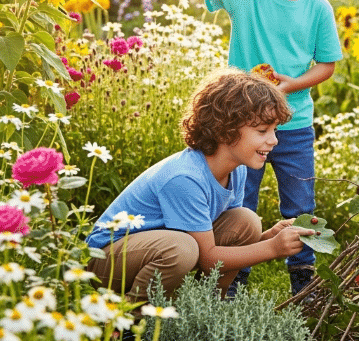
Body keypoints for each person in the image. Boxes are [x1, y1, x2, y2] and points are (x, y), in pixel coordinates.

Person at [127, 0, 341, 295]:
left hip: (294, 127)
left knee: (300, 205)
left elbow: (326, 65)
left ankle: (303, 281)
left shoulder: (317, 9)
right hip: (241, 128)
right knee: (240, 207)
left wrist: (290, 85)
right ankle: (230, 282)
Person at [84, 68, 315, 303]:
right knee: (181, 248)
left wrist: (270, 237)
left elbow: (216, 244)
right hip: (106, 262)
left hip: (158, 250)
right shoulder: (185, 178)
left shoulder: (237, 169)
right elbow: (207, 258)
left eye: (274, 130)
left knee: (246, 221)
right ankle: (130, 321)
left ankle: (206, 307)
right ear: (225, 130)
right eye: (262, 131)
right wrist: (273, 249)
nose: (274, 140)